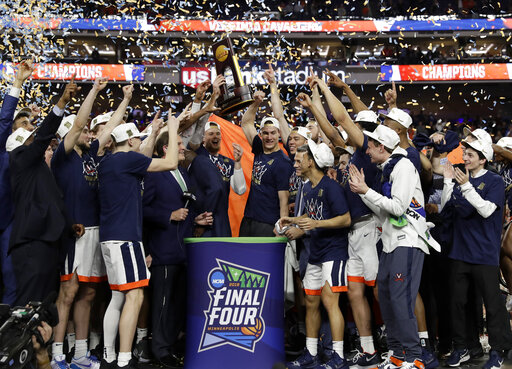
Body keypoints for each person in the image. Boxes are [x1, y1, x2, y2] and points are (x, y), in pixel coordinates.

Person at [50, 80, 132, 369]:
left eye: (87, 130)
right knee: (68, 294)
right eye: (83, 129)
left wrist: (125, 99)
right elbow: (77, 126)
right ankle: (58, 354)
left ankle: (81, 353)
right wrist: (94, 92)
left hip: (96, 232)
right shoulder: (65, 156)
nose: (87, 132)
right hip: (75, 233)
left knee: (89, 293)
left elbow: (110, 127)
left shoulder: (90, 156)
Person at [304, 78, 381, 365]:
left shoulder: (367, 150)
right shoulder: (353, 152)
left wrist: (325, 89)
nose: (351, 129)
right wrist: (313, 106)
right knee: (356, 293)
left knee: (377, 291)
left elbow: (341, 119)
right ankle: (369, 349)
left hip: (368, 227)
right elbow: (332, 131)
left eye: (357, 125)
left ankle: (398, 343)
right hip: (353, 233)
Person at [349, 125, 439, 369]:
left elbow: (399, 208)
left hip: (407, 241)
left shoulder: (404, 167)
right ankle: (398, 354)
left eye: (370, 146)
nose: (366, 151)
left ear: (382, 147)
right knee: (386, 297)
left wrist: (367, 190)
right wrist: (363, 193)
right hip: (390, 242)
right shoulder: (387, 169)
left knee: (400, 300)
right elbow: (384, 213)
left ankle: (414, 357)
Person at [98, 109, 179, 369]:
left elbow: (140, 161)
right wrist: (173, 129)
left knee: (117, 297)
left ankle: (109, 355)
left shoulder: (111, 161)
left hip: (110, 237)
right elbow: (171, 163)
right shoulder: (126, 161)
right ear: (131, 142)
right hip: (126, 238)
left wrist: (154, 132)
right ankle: (124, 359)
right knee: (135, 296)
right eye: (139, 140)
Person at [441, 133, 512, 369]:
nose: (465, 157)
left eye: (470, 155)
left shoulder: (494, 182)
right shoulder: (462, 178)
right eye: (465, 153)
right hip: (459, 253)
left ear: (483, 159)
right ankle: (462, 347)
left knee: (492, 306)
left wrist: (465, 186)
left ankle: (498, 350)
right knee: (458, 304)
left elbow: (486, 211)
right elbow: (445, 209)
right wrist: (448, 182)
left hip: (484, 255)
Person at [8, 77, 80, 307]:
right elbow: (43, 138)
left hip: (47, 241)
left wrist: (69, 224)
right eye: (30, 136)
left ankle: (36, 344)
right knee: (27, 305)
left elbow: (53, 199)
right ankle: (16, 344)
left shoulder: (39, 168)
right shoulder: (19, 159)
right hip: (31, 243)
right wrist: (60, 104)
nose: (36, 138)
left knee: (44, 305)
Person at [280, 140, 351, 369]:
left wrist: (316, 223)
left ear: (312, 161)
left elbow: (345, 219)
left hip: (334, 251)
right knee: (311, 301)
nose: (297, 163)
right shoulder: (307, 187)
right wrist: (292, 220)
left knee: (330, 302)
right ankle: (310, 353)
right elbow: (310, 219)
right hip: (316, 253)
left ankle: (338, 356)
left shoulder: (331, 187)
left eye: (301, 160)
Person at [143, 132, 212, 367]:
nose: (183, 148)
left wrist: (196, 220)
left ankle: (170, 345)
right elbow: (142, 210)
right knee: (162, 303)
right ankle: (159, 349)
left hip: (184, 250)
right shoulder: (154, 174)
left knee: (178, 302)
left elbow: (185, 207)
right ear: (165, 149)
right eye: (179, 144)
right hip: (163, 249)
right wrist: (168, 216)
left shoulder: (182, 173)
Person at [0, 58, 35, 305]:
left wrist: (18, 82)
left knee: (12, 276)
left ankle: (9, 335)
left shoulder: (7, 151)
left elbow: (5, 120)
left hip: (8, 222)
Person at [239, 91, 293, 237]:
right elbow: (246, 123)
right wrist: (256, 102)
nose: (269, 137)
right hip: (249, 218)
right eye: (266, 133)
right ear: (261, 134)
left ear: (279, 134)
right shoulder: (259, 147)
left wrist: (281, 229)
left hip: (267, 223)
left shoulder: (283, 163)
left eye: (273, 133)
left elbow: (284, 199)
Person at [188, 121, 246, 237]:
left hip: (221, 221)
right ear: (203, 138)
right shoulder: (195, 157)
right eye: (210, 134)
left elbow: (240, 190)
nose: (215, 137)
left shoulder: (227, 162)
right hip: (201, 219)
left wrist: (238, 162)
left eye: (218, 134)